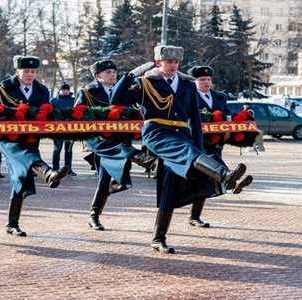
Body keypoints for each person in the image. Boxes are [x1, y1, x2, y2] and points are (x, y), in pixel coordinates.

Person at [111, 46, 252, 253]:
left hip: (183, 135)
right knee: (186, 150)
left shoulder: (187, 84)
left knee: (169, 185)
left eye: (176, 63)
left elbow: (194, 118)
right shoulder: (146, 82)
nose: (173, 66)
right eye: (169, 62)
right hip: (157, 133)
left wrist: (199, 146)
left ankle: (158, 239)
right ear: (159, 62)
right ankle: (224, 176)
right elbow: (116, 99)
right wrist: (131, 75)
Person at [0, 56, 70, 237]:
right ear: (18, 72)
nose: (30, 74)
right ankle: (48, 173)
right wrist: (5, 114)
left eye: (33, 71)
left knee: (20, 177)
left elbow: (45, 111)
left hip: (29, 137)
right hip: (7, 137)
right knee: (25, 156)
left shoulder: (42, 90)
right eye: (26, 71)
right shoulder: (3, 88)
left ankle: (12, 224)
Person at [75, 60, 158, 231]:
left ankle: (94, 214)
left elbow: (134, 111)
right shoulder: (87, 92)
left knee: (110, 180)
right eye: (107, 72)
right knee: (107, 175)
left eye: (114, 72)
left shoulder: (123, 92)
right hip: (100, 141)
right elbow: (78, 115)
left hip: (120, 138)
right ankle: (148, 160)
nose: (112, 74)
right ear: (98, 76)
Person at [187, 65, 249, 228]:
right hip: (195, 142)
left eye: (208, 79)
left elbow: (227, 114)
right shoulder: (188, 95)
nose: (206, 82)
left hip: (216, 140)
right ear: (194, 82)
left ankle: (195, 216)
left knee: (205, 178)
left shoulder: (219, 97)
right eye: (202, 80)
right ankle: (231, 179)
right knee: (207, 169)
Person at [50, 83, 76, 176]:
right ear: (60, 90)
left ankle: (68, 169)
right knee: (57, 149)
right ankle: (55, 169)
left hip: (71, 129)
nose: (65, 91)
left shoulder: (74, 100)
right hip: (57, 130)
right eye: (63, 89)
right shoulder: (54, 101)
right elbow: (50, 114)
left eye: (67, 90)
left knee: (69, 150)